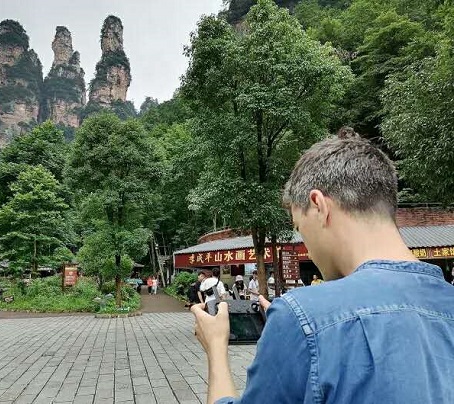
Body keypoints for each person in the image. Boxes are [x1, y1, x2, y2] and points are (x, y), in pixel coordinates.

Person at [191, 134, 454, 403]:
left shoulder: (302, 315)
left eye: (298, 226)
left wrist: (216, 347)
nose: (306, 242)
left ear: (319, 206)